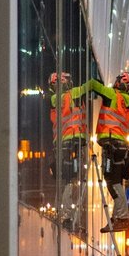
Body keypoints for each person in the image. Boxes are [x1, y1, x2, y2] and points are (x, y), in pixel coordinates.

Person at [87, 72, 129, 233]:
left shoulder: (114, 95)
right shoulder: (126, 101)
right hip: (119, 146)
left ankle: (122, 218)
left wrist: (93, 81)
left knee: (112, 183)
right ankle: (116, 219)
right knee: (115, 182)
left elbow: (94, 85)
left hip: (112, 145)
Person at [48, 71, 88, 231]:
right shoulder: (71, 96)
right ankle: (67, 215)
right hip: (74, 142)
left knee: (65, 178)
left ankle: (65, 214)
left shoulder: (56, 98)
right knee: (70, 178)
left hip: (64, 143)